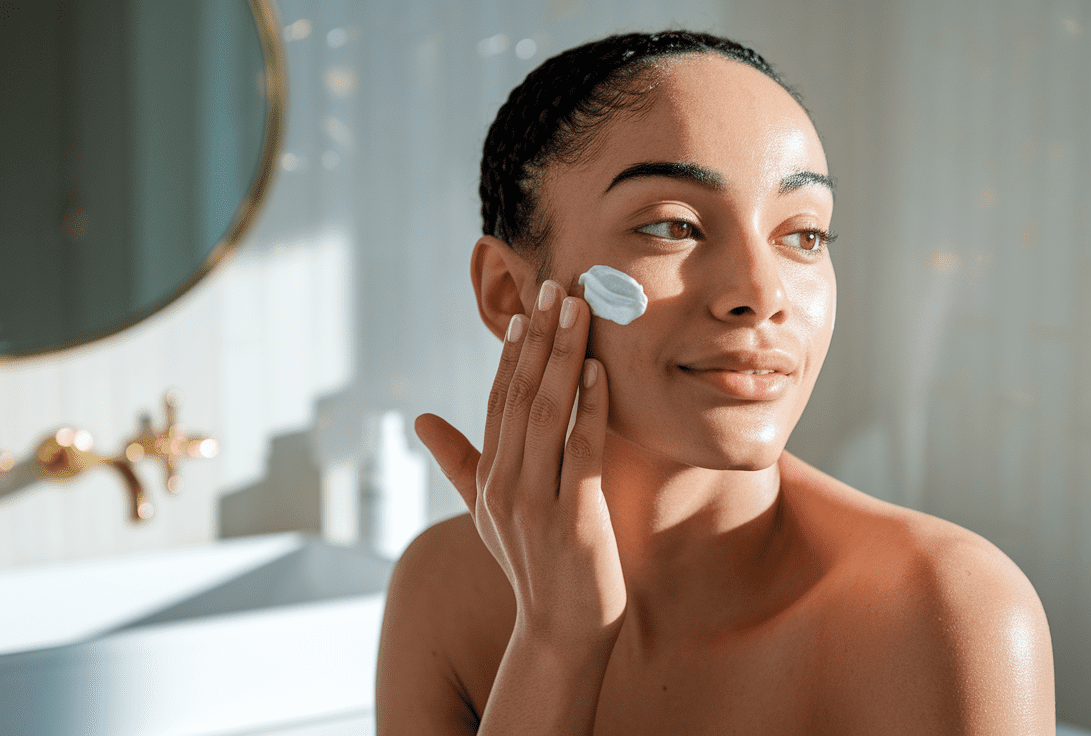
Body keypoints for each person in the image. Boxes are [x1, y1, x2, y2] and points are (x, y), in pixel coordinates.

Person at [376, 30, 1054, 735]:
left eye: (803, 235)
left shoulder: (946, 612)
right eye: (674, 225)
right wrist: (554, 645)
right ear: (509, 293)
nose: (763, 293)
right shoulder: (441, 592)